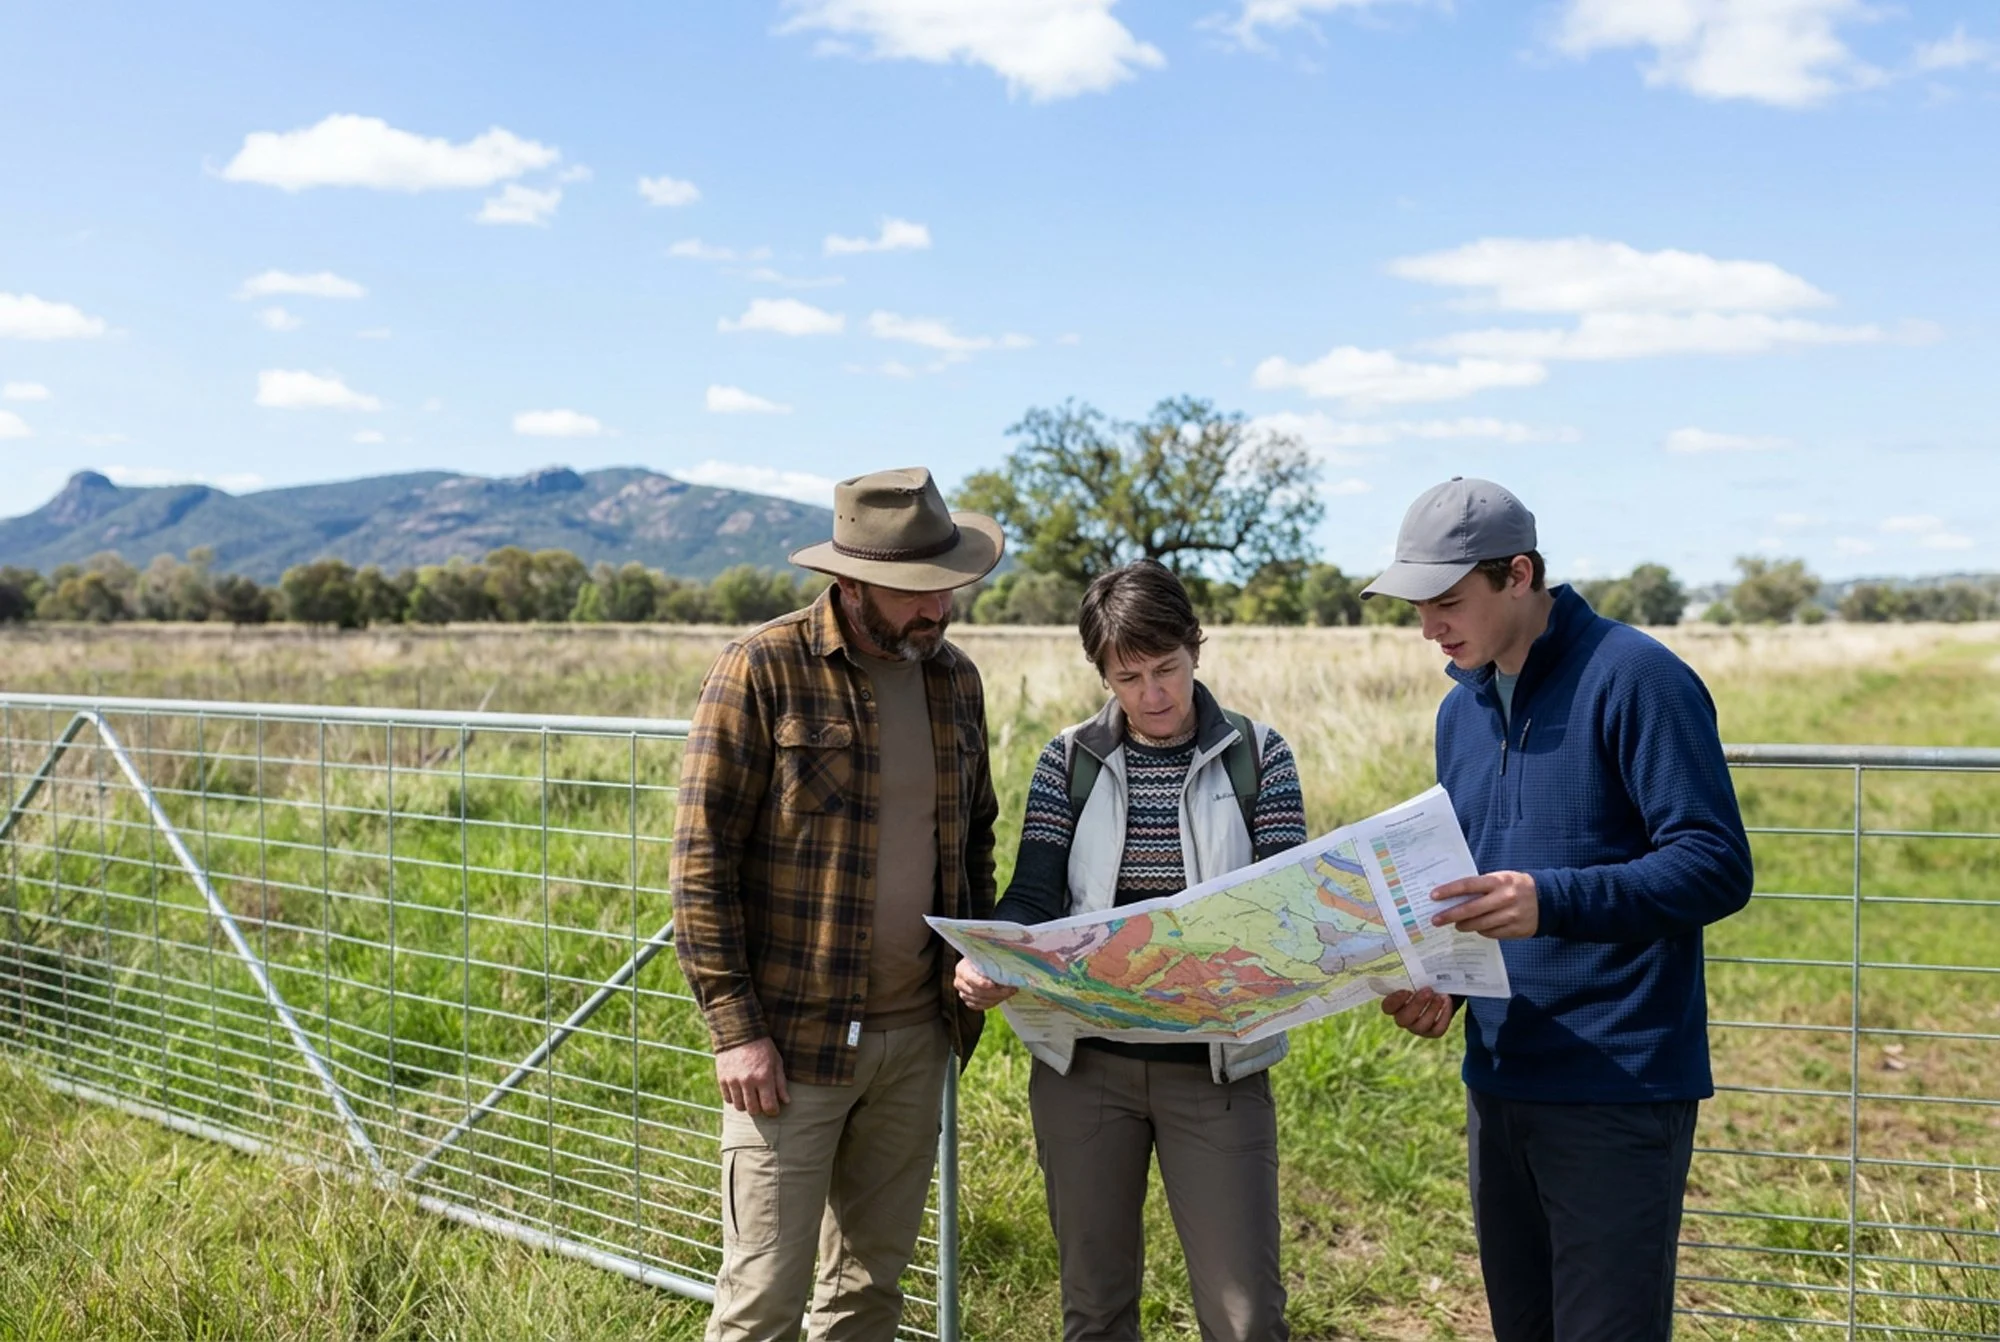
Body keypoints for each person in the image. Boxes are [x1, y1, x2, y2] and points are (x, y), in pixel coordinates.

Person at [1367, 477, 1754, 1342]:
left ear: (1520, 574)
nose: (1428, 627)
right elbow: (1475, 887)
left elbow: (1716, 865)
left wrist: (1550, 901)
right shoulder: (1457, 712)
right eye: (1416, 607)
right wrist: (1445, 987)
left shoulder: (1639, 679)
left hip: (1616, 1088)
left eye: (1446, 602)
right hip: (1499, 1081)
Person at [672, 467, 1004, 1342]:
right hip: (791, 1045)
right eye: (912, 594)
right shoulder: (760, 670)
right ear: (850, 584)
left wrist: (979, 951)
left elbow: (976, 838)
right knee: (764, 1301)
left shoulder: (956, 682)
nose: (935, 609)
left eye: (946, 588)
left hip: (917, 1040)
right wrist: (735, 1029)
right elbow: (699, 861)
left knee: (869, 1294)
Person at [955, 559, 1306, 1342]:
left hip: (1218, 1072)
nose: (1153, 694)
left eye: (1168, 669)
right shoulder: (1068, 761)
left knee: (1246, 1317)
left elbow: (1288, 910)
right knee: (1096, 1306)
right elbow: (1034, 895)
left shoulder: (1260, 756)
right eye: (1129, 676)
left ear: (1196, 649)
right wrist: (999, 959)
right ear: (1102, 674)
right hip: (1087, 1071)